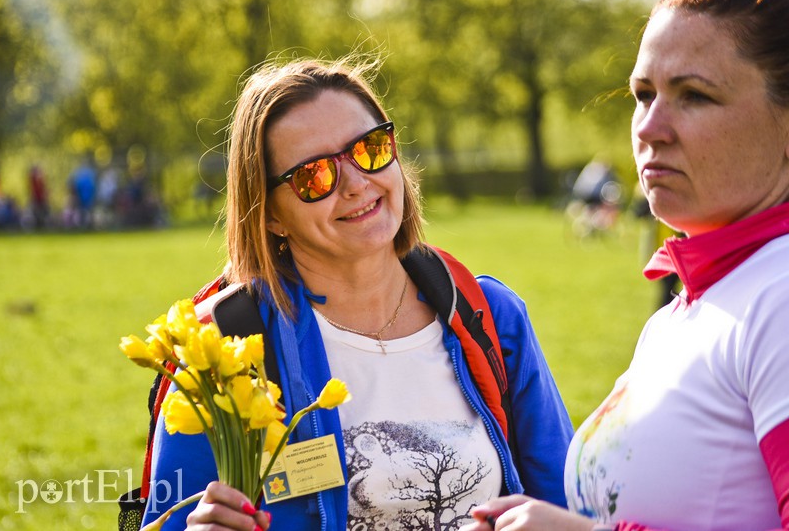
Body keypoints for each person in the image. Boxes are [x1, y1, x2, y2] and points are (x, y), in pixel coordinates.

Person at [140, 56, 574, 530]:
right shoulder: (223, 349)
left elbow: (569, 507)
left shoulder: (488, 315)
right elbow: (169, 519)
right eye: (313, 176)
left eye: (369, 148)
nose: (355, 183)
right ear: (270, 215)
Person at [460, 0, 789, 530]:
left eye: (696, 96)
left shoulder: (779, 294)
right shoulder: (682, 313)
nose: (650, 127)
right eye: (643, 95)